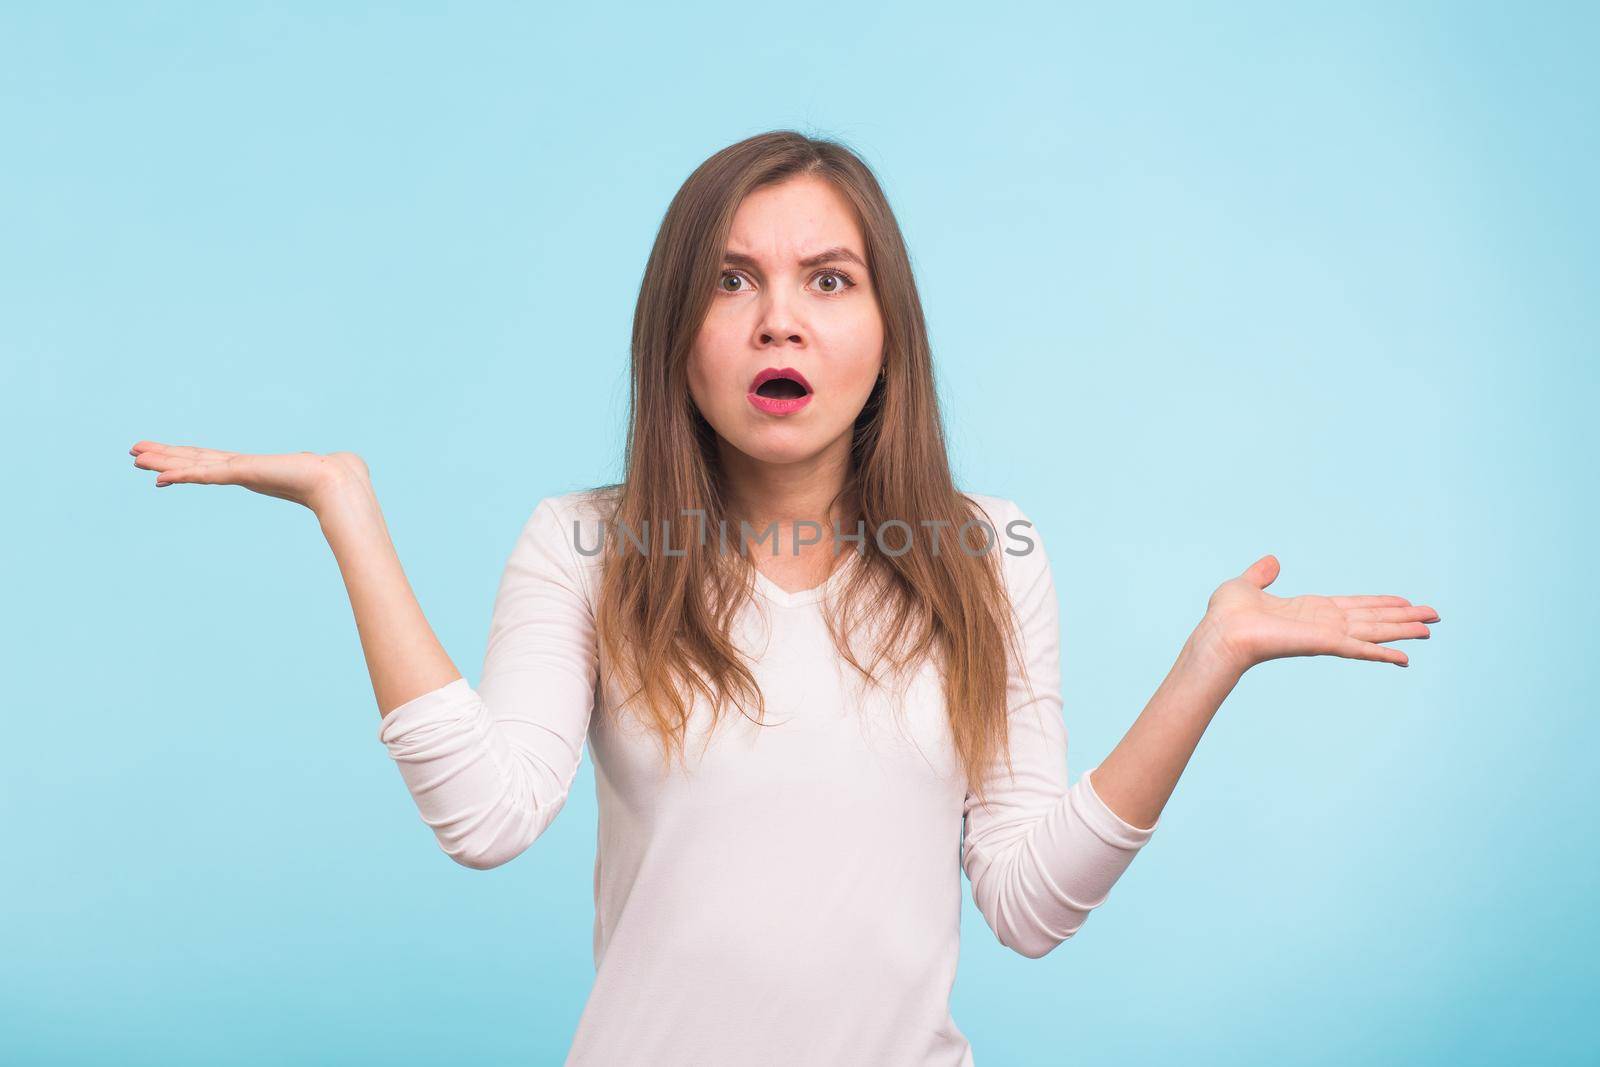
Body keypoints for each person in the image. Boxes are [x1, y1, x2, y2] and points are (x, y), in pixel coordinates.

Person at [128, 130, 1439, 1066]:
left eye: (828, 280)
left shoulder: (991, 552)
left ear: (886, 331)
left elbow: (1030, 903)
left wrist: (1209, 659)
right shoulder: (584, 546)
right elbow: (485, 816)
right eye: (731, 279)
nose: (778, 323)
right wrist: (347, 509)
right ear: (675, 332)